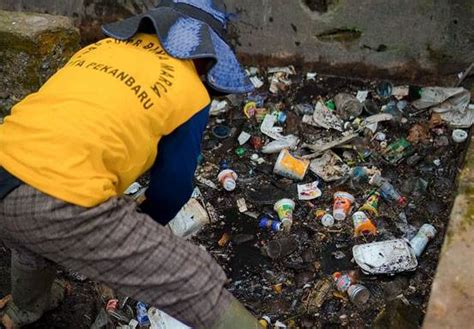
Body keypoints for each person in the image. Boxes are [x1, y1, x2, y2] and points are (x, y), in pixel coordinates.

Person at [0, 0, 262, 328]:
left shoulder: (100, 50)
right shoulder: (190, 89)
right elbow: (174, 186)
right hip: (57, 198)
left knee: (29, 240)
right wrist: (145, 222)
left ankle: (22, 310)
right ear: (208, 53)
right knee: (193, 279)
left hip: (5, 166)